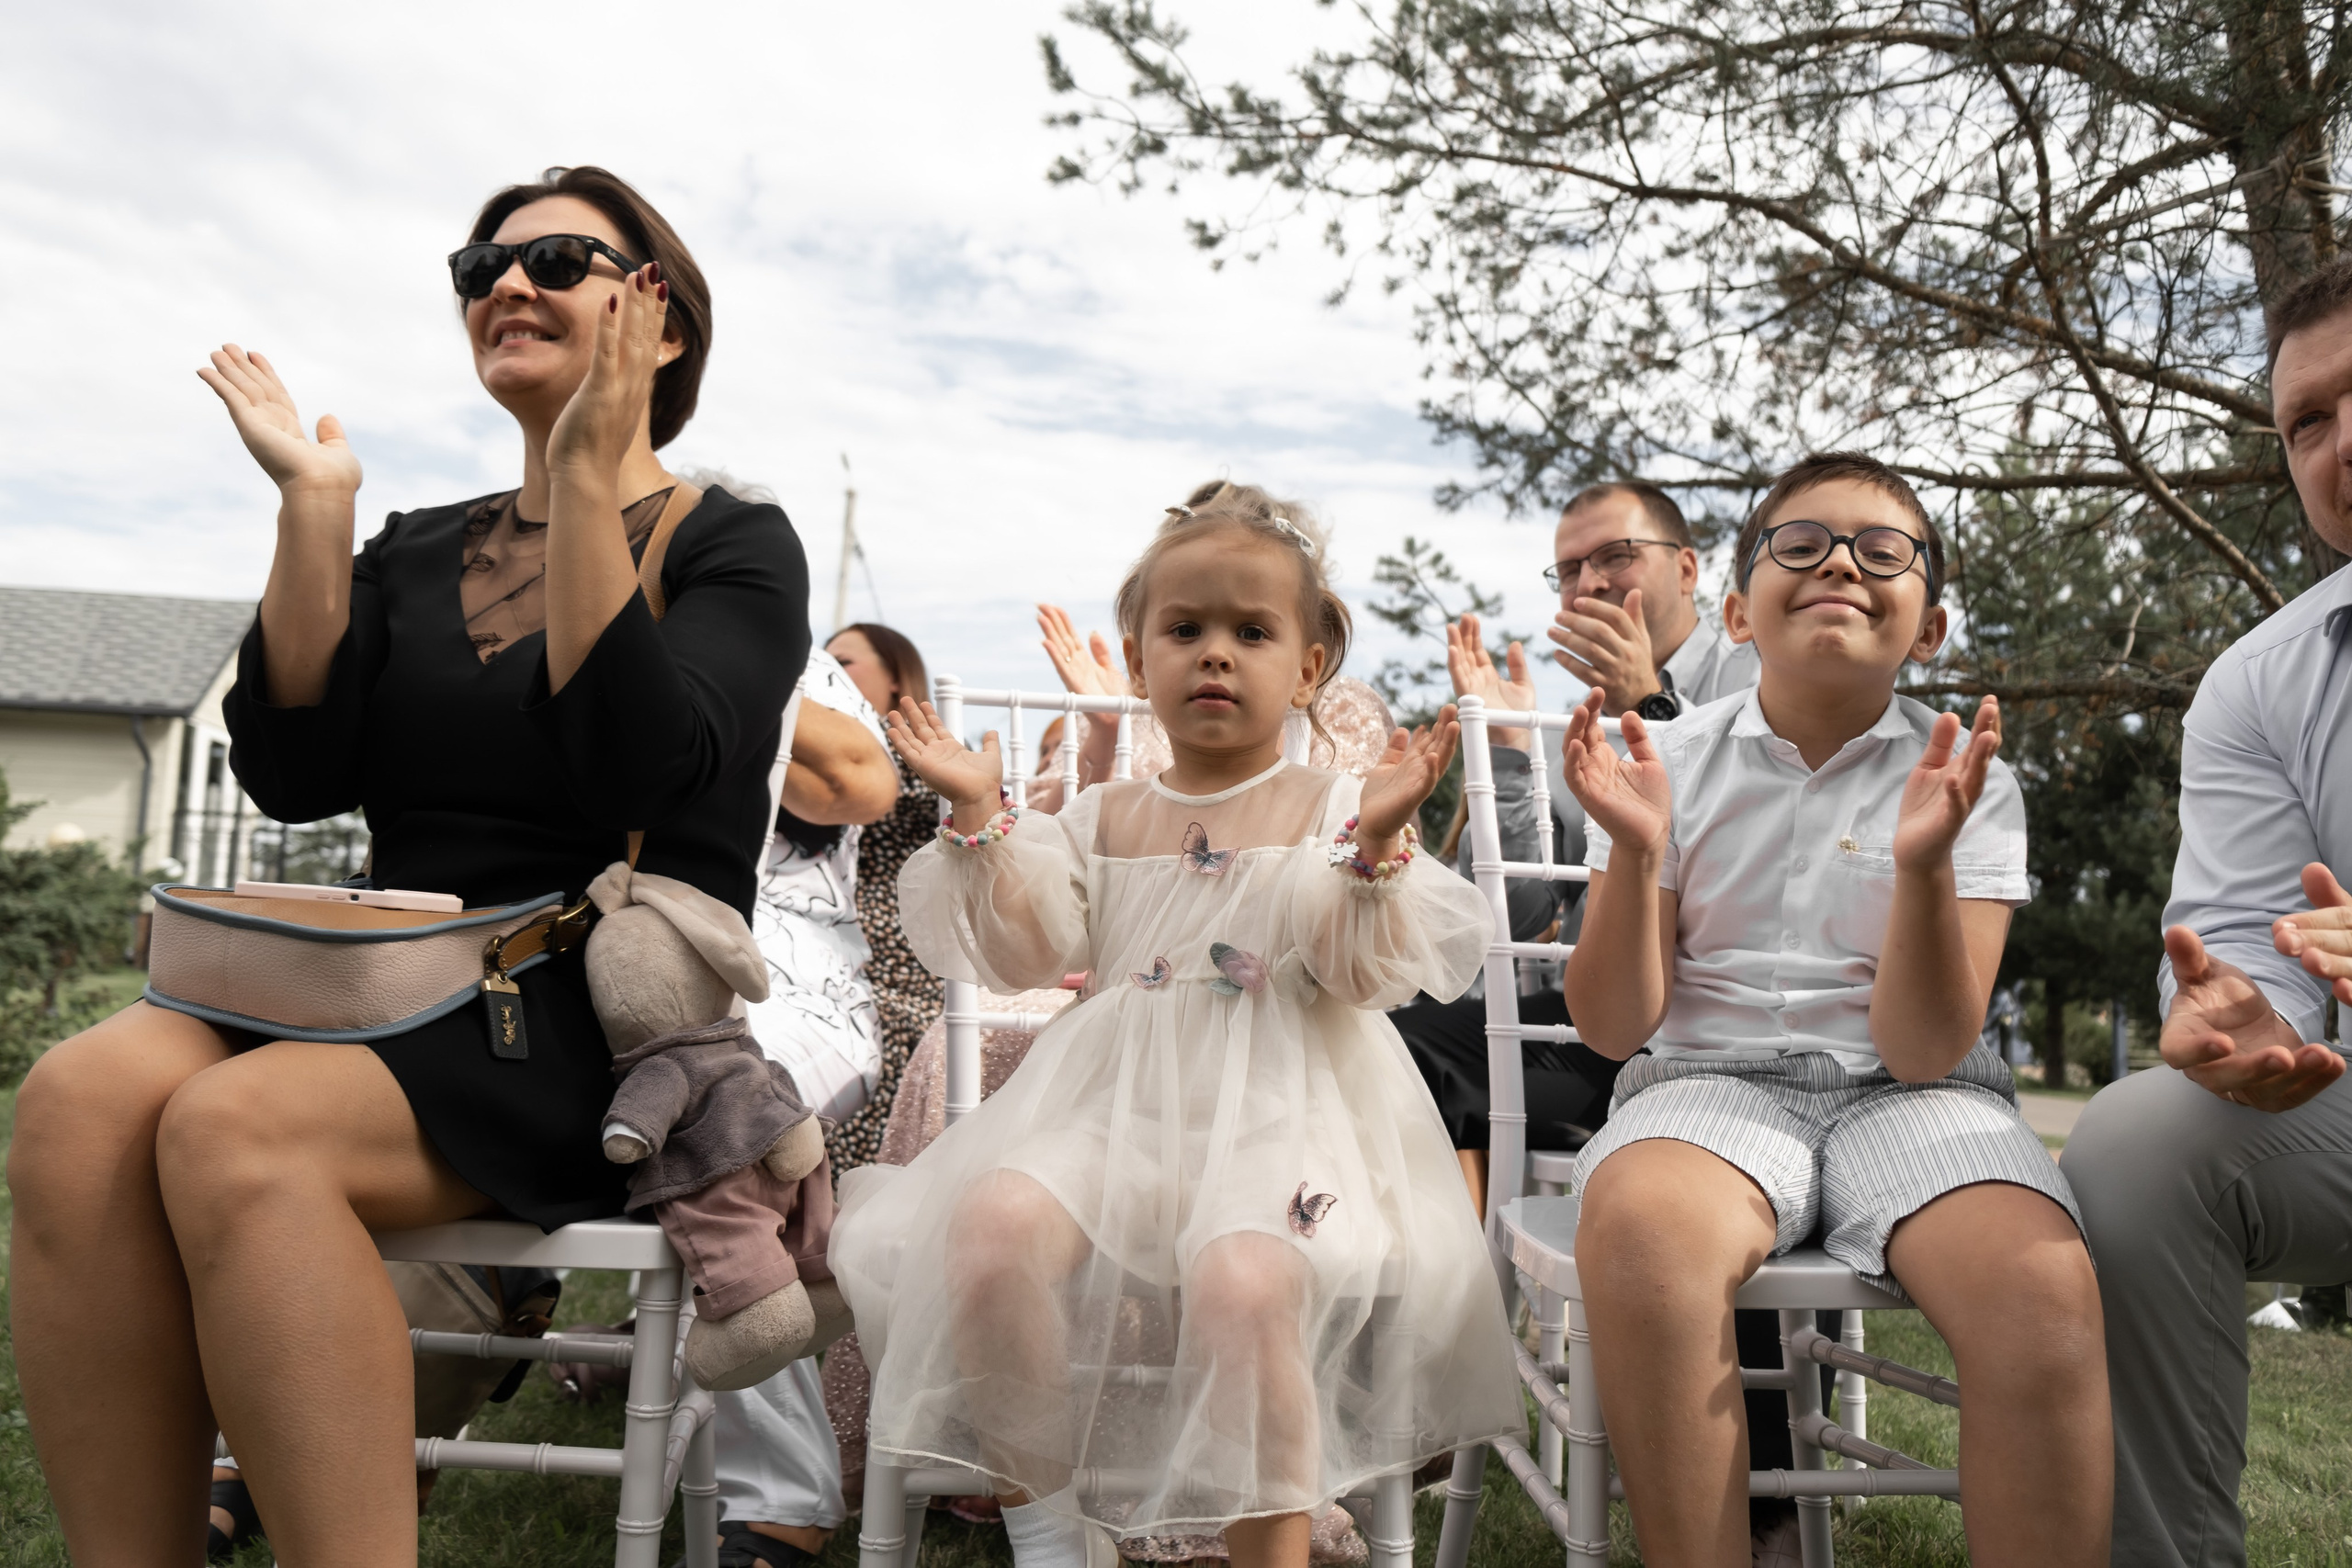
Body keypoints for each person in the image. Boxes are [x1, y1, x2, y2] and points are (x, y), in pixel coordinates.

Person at [6, 165, 808, 1564]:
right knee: (77, 1097)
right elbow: (295, 769)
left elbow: (638, 766)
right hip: (368, 980)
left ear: (658, 322)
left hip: (570, 1016)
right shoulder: (418, 545)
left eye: (560, 258)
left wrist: (579, 478)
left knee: (237, 1130)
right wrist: (316, 508)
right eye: (479, 263)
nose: (507, 281)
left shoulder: (729, 540)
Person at [829, 482, 1521, 1568]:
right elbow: (1020, 948)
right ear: (1137, 655)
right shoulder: (1104, 816)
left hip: (1285, 1118)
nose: (1215, 655)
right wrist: (979, 813)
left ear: (1305, 669)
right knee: (992, 1225)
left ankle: (1269, 1554)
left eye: (1251, 632)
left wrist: (1376, 845)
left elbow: (1361, 970)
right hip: (1117, 1112)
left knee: (1246, 1281)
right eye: (1185, 629)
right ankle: (1053, 1536)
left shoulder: (1331, 807)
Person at [1562, 452, 2109, 1566]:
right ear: (1735, 610)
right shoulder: (1654, 762)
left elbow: (1923, 1045)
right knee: (1644, 1237)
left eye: (1882, 551)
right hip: (1709, 1088)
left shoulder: (1967, 780)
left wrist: (1921, 868)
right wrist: (1635, 853)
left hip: (1916, 1096)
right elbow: (1614, 1029)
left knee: (2041, 1286)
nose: (1840, 568)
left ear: (1930, 628)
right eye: (1799, 545)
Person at [2061, 258, 2352, 1568]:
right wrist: (2244, 1028)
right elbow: (2260, 954)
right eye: (2308, 420)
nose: (2340, 443)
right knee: (2137, 1136)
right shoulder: (2259, 685)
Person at [706, 641, 899, 1568]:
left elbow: (858, 785)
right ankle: (409, 1388)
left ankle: (777, 1489)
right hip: (572, 952)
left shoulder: (788, 664)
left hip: (787, 983)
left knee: (722, 1094)